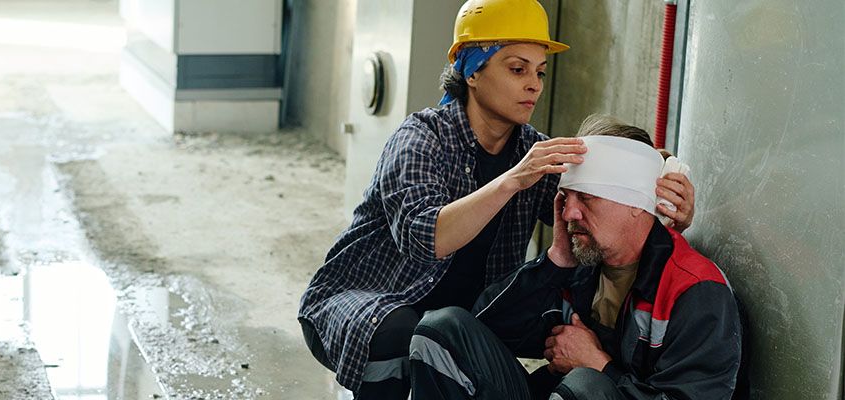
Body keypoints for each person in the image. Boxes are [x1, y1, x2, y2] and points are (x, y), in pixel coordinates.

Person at [297, 0, 697, 398]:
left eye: (540, 72)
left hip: (463, 318)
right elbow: (426, 239)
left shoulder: (533, 152)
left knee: (569, 327)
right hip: (371, 303)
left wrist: (660, 180)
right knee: (398, 329)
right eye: (517, 68)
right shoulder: (421, 139)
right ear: (472, 71)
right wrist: (511, 180)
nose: (535, 85)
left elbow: (594, 203)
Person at [408, 115, 742, 399]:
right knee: (441, 330)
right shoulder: (584, 265)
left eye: (586, 197)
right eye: (565, 197)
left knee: (584, 388)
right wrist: (557, 260)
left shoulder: (696, 290)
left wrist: (598, 366)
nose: (568, 212)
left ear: (635, 205)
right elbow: (490, 330)